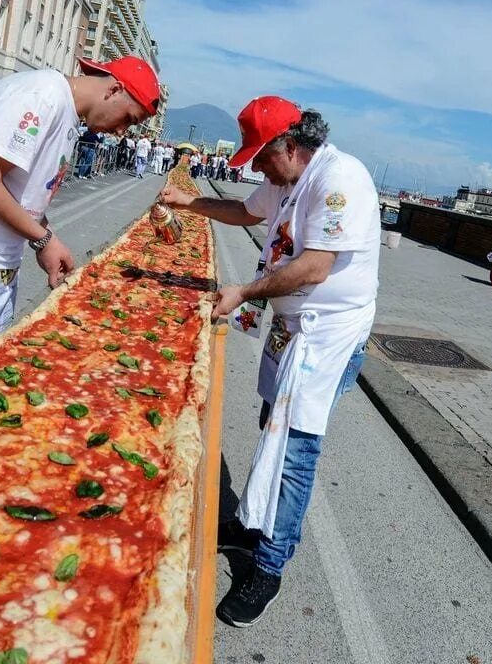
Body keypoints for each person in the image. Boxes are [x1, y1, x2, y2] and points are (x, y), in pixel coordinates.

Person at [159, 97, 380, 627]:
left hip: (327, 334)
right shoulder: (284, 180)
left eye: (262, 155)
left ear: (291, 145)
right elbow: (245, 213)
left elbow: (313, 267)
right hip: (288, 326)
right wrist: (187, 202)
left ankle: (269, 565)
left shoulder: (339, 178)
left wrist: (244, 290)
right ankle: (252, 523)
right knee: (270, 423)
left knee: (296, 449)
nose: (255, 166)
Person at [0, 55, 160, 387]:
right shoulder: (42, 95)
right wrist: (42, 240)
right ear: (114, 90)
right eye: (128, 118)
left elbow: (22, 194)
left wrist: (45, 235)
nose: (122, 131)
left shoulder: (65, 111)